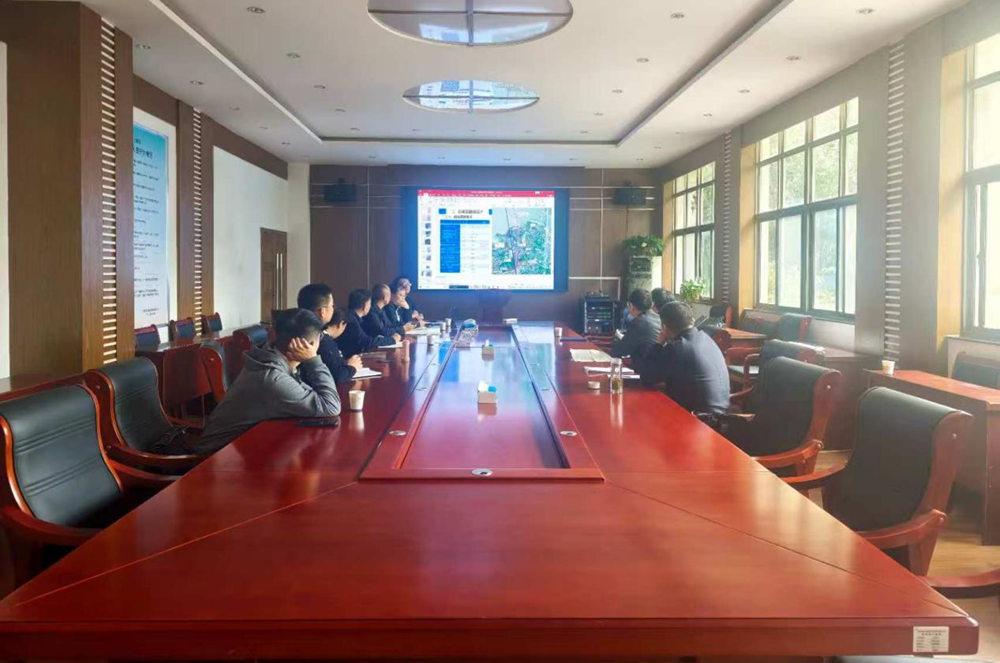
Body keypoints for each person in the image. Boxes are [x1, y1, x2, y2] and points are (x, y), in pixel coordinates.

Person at [191, 309, 341, 455]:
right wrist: (313, 360)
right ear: (309, 344)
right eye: (320, 337)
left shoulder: (270, 358)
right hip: (216, 459)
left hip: (243, 450)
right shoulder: (272, 376)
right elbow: (330, 406)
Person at [639, 301, 730, 415]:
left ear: (664, 327)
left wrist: (658, 343)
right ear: (692, 320)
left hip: (698, 419)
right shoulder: (706, 339)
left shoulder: (677, 347)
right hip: (721, 415)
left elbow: (646, 377)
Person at [297, 283, 364, 383]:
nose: (333, 309)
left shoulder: (299, 329)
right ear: (322, 311)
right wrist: (352, 367)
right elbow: (337, 376)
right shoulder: (318, 337)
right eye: (332, 306)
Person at [339, 288, 401, 357]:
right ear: (365, 306)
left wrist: (379, 338)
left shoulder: (355, 317)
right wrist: (392, 340)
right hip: (351, 357)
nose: (370, 306)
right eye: (369, 304)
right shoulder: (351, 320)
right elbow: (366, 341)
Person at [610, 289, 661, 368]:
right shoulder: (659, 318)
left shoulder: (639, 322)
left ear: (631, 306)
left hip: (647, 369)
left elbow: (621, 350)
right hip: (659, 366)